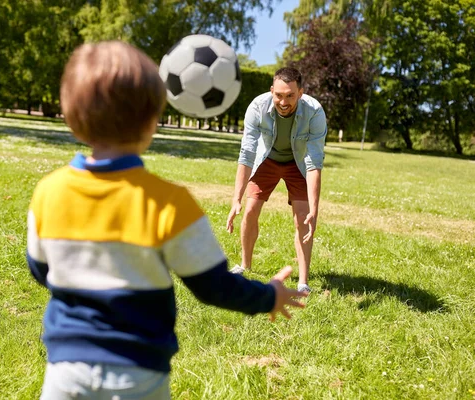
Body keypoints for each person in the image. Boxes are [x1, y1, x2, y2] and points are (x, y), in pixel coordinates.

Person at [26, 41, 308, 400]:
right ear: (151, 122)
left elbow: (40, 268)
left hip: (64, 374)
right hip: (139, 374)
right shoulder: (169, 203)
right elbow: (214, 286)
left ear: (70, 116)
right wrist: (268, 296)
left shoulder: (48, 192)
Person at [226, 67, 327, 293]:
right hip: (267, 159)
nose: (283, 101)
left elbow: (314, 162)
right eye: (279, 95)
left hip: (297, 162)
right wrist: (236, 199)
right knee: (250, 210)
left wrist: (314, 210)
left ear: (300, 93)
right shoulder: (257, 107)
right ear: (272, 91)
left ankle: (303, 282)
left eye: (290, 95)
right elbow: (247, 153)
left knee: (303, 218)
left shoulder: (314, 112)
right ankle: (245, 265)